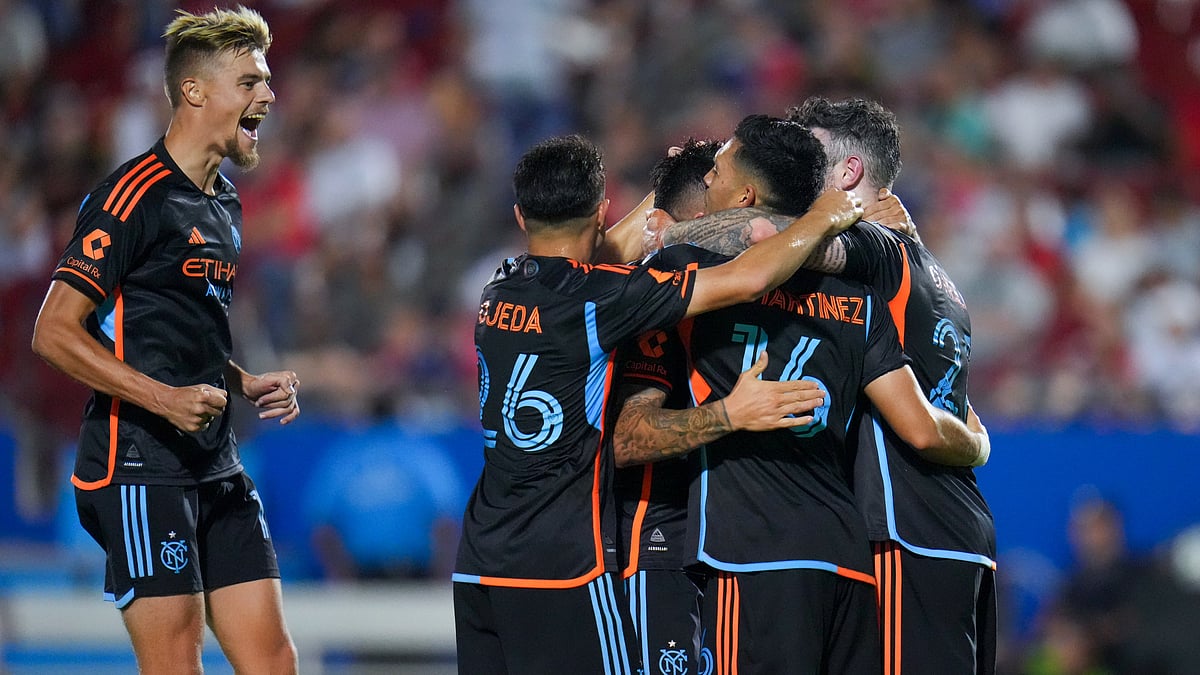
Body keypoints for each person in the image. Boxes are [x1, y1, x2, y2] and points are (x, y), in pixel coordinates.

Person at [453, 132, 863, 674]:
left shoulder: (498, 290)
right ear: (602, 210)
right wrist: (824, 217)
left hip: (479, 560)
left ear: (521, 217)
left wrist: (666, 191)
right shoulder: (604, 301)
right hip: (562, 560)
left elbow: (595, 252)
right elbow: (751, 275)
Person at [617, 113, 990, 673]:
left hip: (869, 536)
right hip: (892, 547)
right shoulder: (910, 279)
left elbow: (756, 240)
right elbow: (926, 405)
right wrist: (977, 442)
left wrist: (667, 230)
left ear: (847, 175)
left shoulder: (872, 250)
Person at [30, 7, 299, 674]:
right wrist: (165, 399)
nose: (269, 95)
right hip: (137, 463)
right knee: (177, 661)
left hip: (215, 461)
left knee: (273, 659)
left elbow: (173, 328)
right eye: (251, 82)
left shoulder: (224, 204)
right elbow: (54, 330)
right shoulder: (130, 197)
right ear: (195, 91)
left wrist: (242, 380)